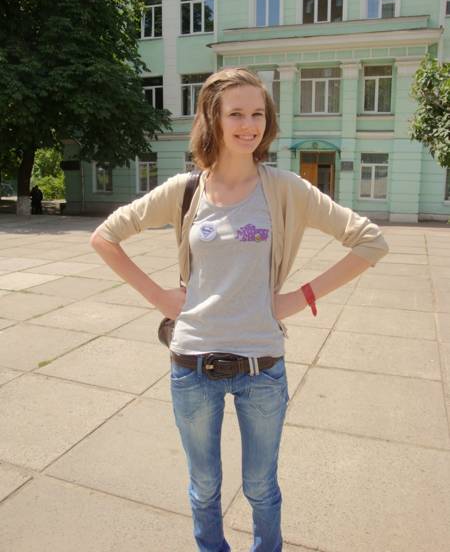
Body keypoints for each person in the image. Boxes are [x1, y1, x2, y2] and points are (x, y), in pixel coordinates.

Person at [90, 68, 389, 552]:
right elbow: (105, 237)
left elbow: (370, 242)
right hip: (192, 366)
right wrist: (159, 297)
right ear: (213, 119)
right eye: (236, 114)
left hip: (262, 367)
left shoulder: (285, 188)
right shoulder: (185, 190)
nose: (249, 125)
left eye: (257, 114)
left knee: (261, 488)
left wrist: (299, 298)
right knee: (204, 488)